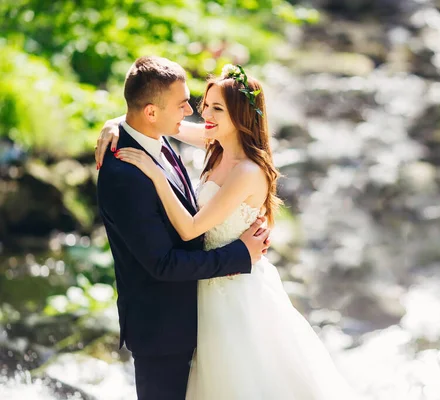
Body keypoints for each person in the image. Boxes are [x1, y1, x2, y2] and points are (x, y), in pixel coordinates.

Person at [97, 63, 358, 399]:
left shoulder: (246, 170)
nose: (197, 112)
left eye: (214, 107)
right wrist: (116, 124)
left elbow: (190, 229)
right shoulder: (212, 143)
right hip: (192, 305)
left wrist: (156, 175)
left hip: (235, 292)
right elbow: (161, 125)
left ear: (240, 116)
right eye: (202, 104)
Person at [96, 56, 270, 400]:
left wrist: (120, 121)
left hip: (212, 312)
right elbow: (163, 263)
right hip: (163, 330)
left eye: (209, 107)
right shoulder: (124, 174)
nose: (192, 113)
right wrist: (241, 254)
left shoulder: (164, 138)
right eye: (185, 104)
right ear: (151, 112)